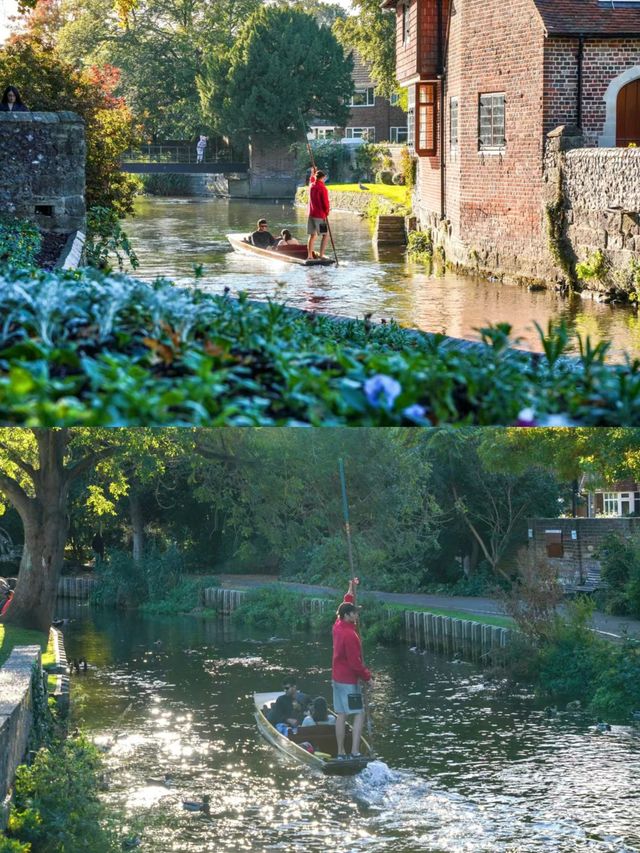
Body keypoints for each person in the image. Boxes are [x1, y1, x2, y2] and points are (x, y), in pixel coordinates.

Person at [332, 582, 372, 759]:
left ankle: (340, 752)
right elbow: (355, 663)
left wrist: (350, 590)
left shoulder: (338, 625)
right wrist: (368, 678)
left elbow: (344, 603)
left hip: (336, 678)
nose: (357, 614)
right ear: (347, 615)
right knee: (359, 713)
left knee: (341, 714)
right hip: (348, 681)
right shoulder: (350, 635)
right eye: (354, 612)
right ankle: (355, 751)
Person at [306, 167, 330, 260]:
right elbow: (325, 203)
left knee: (312, 235)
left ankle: (310, 256)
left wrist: (312, 172)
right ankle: (321, 255)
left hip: (311, 214)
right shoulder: (322, 188)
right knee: (325, 235)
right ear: (323, 178)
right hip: (320, 215)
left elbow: (311, 180)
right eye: (324, 178)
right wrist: (327, 212)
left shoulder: (312, 185)